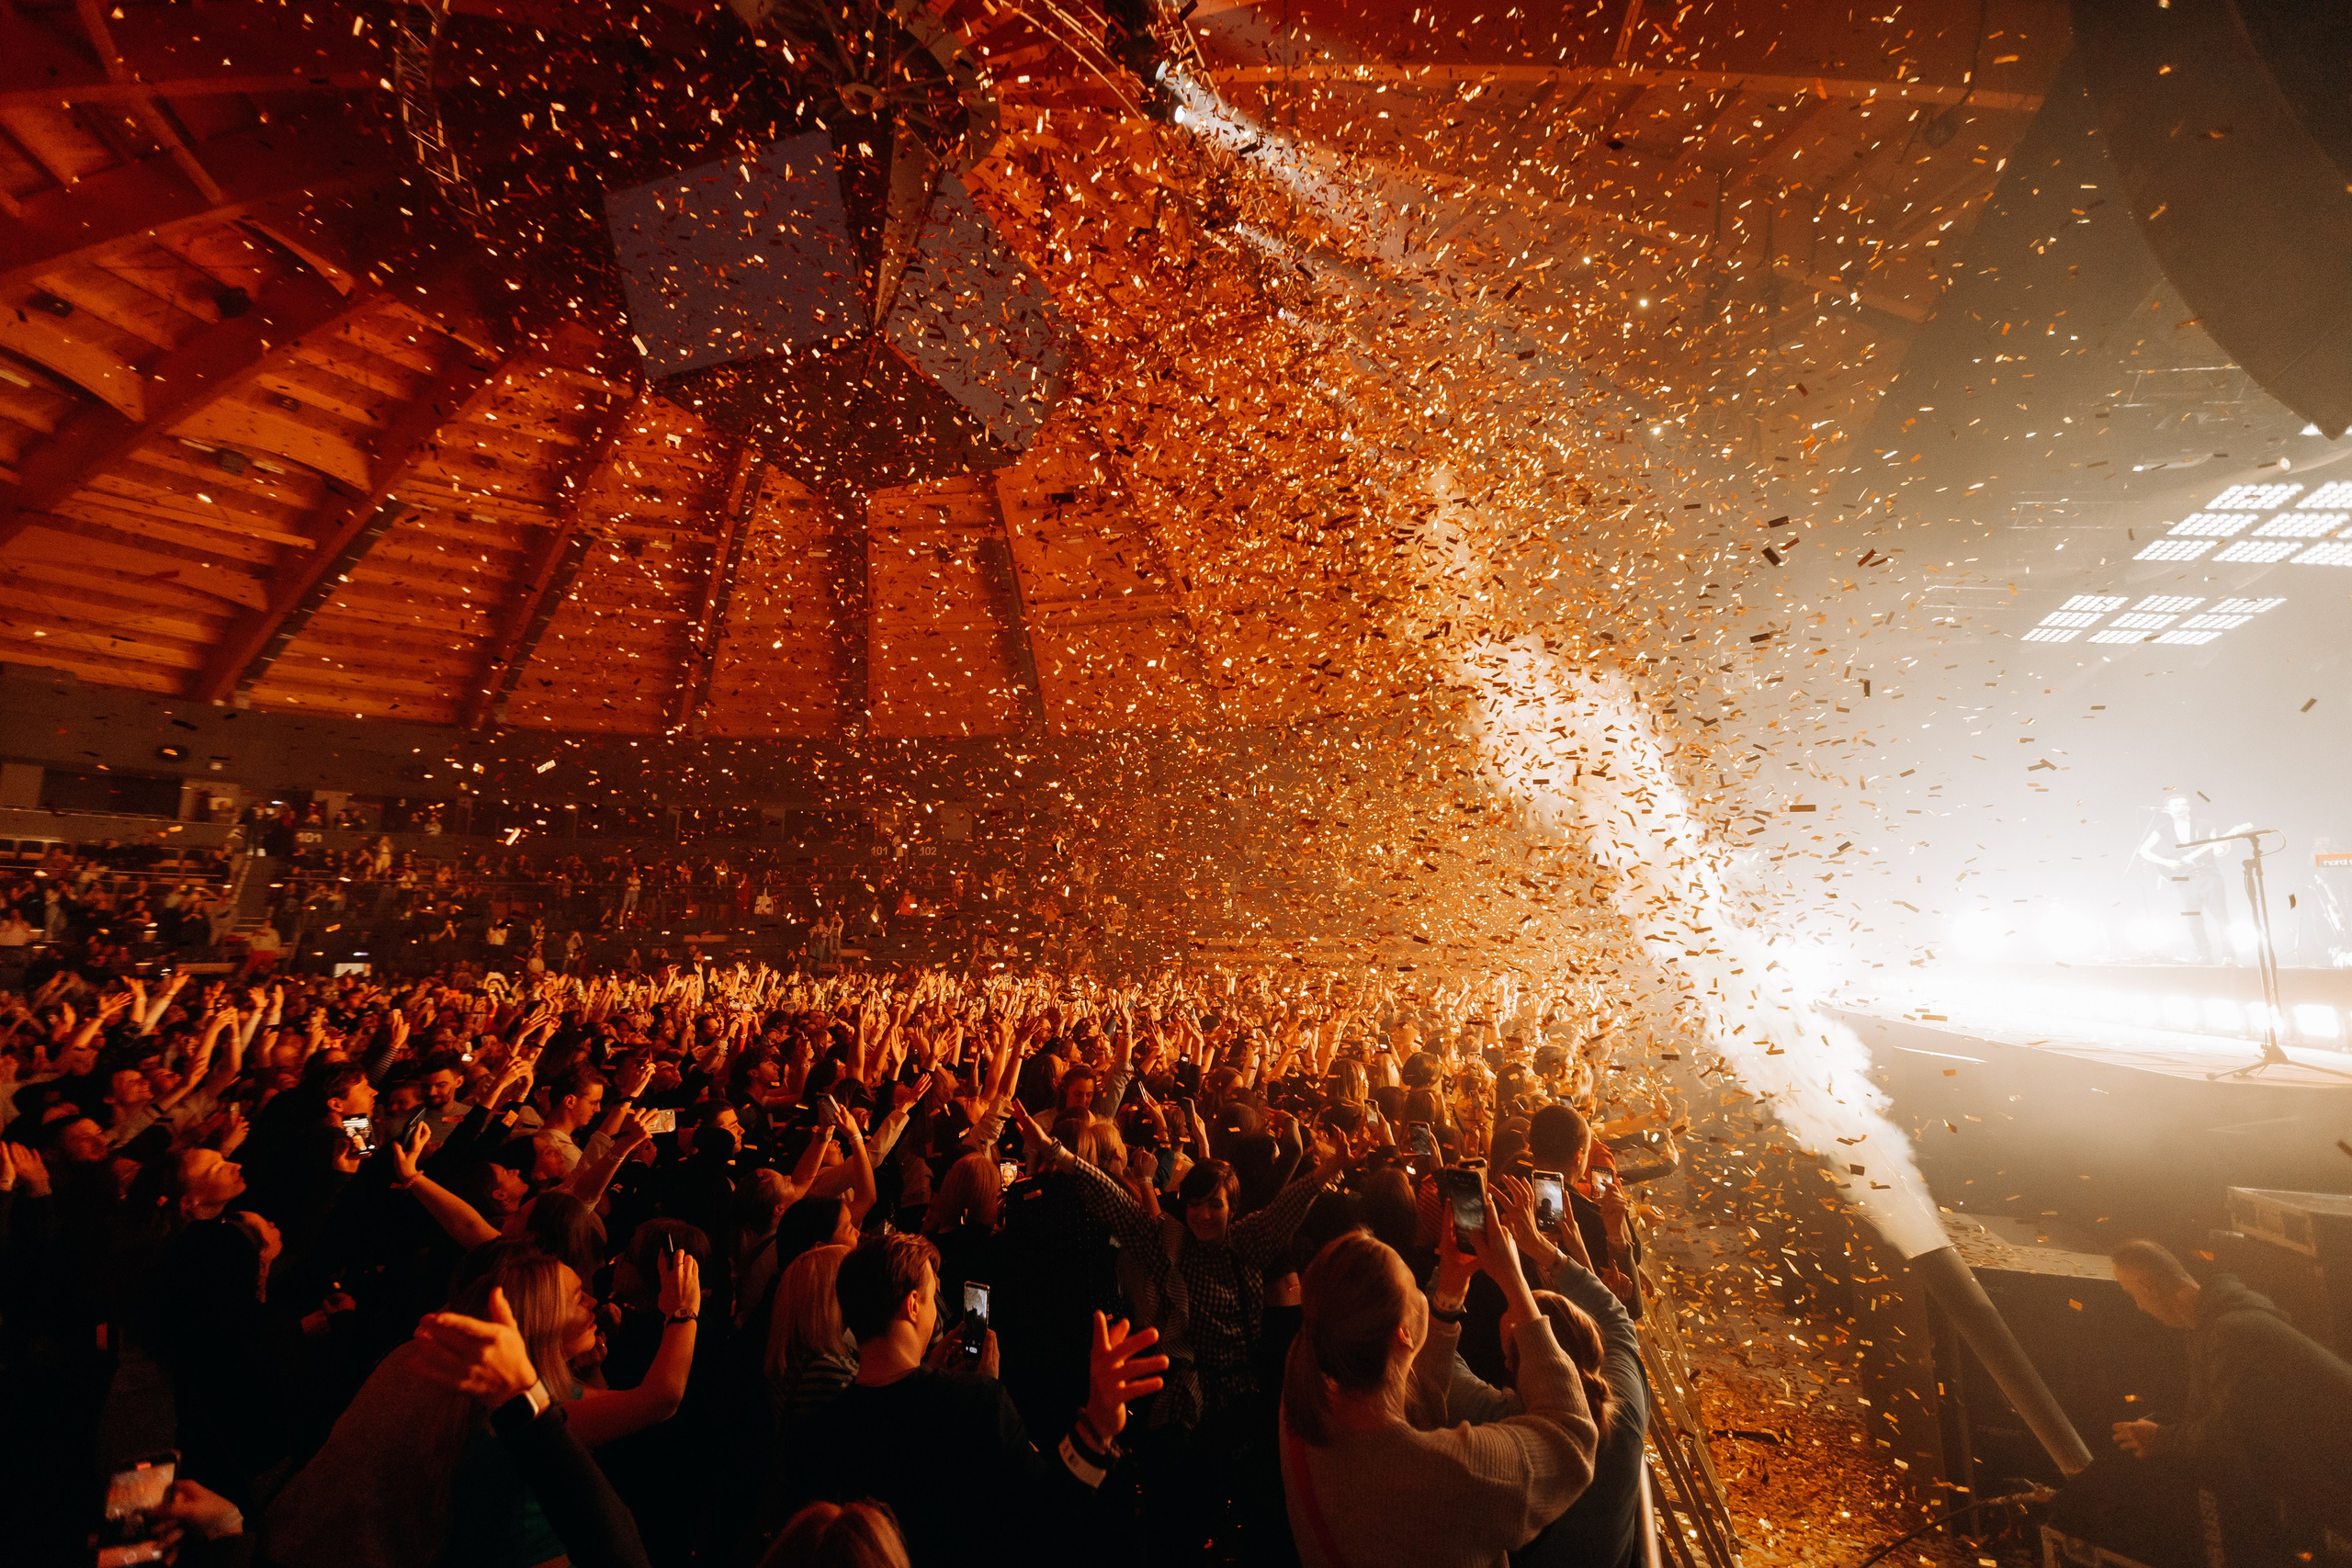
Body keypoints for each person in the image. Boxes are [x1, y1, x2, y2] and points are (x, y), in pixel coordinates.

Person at [802, 1230, 1168, 1568]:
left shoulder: (820, 1428)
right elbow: (1046, 1517)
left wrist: (929, 1371)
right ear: (912, 1305)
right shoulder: (975, 1404)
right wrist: (1096, 1425)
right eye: (934, 1295)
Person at [1278, 1215, 1597, 1568]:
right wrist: (1515, 1281)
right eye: (1414, 1284)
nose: (1421, 1292)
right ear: (1403, 1334)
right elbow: (1571, 1435)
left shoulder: (1305, 1397)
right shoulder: (1451, 1475)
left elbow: (1414, 1414)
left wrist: (1447, 1295)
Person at [2047, 1238, 2352, 1562]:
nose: (2138, 1306)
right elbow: (2218, 1418)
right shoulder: (2215, 1327)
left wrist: (2164, 1438)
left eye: (2132, 1293)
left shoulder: (2231, 1332)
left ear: (2147, 1287)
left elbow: (2227, 1434)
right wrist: (2165, 1430)